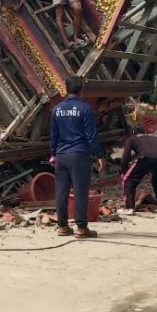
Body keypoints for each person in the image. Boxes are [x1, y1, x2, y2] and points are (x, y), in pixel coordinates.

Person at [51, 75, 104, 239]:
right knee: (80, 191)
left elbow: (53, 135)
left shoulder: (57, 109)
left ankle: (63, 226)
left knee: (61, 191)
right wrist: (100, 155)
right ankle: (81, 228)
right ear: (82, 90)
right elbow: (91, 136)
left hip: (61, 155)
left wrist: (53, 153)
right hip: (79, 154)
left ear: (66, 89)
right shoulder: (85, 109)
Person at [119, 124, 157, 215]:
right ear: (144, 132)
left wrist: (124, 171)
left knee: (128, 181)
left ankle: (129, 208)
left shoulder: (132, 139)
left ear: (132, 133)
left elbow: (125, 157)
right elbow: (156, 151)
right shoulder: (154, 138)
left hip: (145, 158)